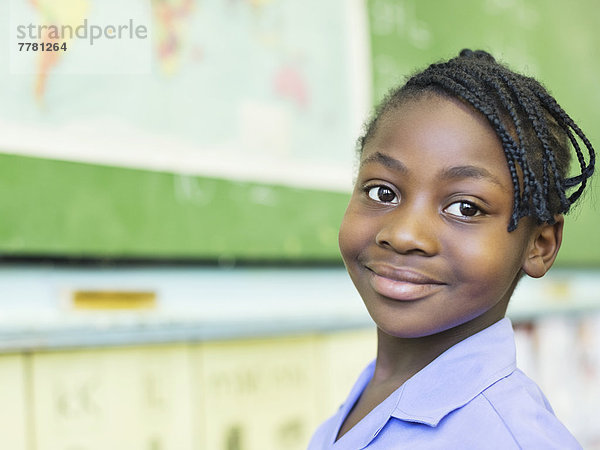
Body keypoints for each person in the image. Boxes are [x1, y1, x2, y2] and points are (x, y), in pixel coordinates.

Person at [308, 49, 595, 449]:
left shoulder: (511, 438)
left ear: (540, 245)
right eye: (382, 191)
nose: (404, 234)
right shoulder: (377, 390)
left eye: (465, 207)